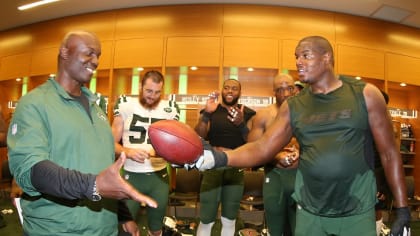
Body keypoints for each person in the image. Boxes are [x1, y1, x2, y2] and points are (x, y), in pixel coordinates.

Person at [193, 36, 410, 236]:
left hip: (356, 210)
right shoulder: (294, 106)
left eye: (305, 55)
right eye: (296, 56)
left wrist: (402, 209)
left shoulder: (365, 94)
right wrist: (219, 157)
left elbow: (389, 153)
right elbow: (261, 147)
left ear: (327, 57)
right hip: (310, 211)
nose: (298, 62)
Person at [7, 31, 157, 236]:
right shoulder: (34, 104)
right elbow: (31, 170)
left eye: (98, 56)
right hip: (57, 230)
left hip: (104, 229)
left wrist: (123, 215)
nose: (95, 61)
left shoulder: (96, 108)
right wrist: (93, 185)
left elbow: (104, 168)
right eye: (89, 53)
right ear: (64, 52)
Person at [112, 70, 180, 236]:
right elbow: (109, 143)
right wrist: (127, 151)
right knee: (124, 227)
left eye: (157, 92)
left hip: (159, 177)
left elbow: (175, 145)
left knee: (156, 228)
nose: (152, 96)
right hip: (131, 174)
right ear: (140, 86)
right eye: (149, 91)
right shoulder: (125, 104)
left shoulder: (169, 108)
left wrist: (160, 151)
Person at [194, 79, 256, 236]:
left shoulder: (247, 113)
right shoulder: (211, 109)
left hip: (235, 169)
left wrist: (241, 124)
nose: (230, 91)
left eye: (234, 88)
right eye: (227, 87)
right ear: (222, 90)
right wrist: (207, 114)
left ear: (239, 93)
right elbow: (198, 136)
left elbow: (254, 143)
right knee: (206, 218)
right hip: (212, 167)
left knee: (229, 219)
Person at [247, 73, 299, 236]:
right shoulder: (263, 116)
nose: (285, 94)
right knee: (275, 228)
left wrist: (302, 151)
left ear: (295, 89)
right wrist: (276, 156)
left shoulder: (307, 115)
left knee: (301, 230)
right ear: (274, 93)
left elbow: (320, 145)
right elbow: (252, 148)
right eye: (280, 90)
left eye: (289, 88)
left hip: (301, 177)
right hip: (275, 177)